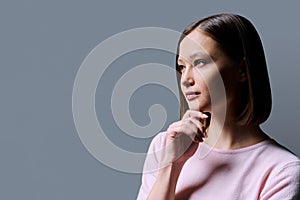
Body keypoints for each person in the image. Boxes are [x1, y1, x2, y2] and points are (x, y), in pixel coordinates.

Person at [137, 13, 300, 200]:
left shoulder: (282, 171)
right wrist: (171, 165)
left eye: (199, 63)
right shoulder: (165, 145)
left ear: (241, 70)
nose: (186, 79)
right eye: (182, 67)